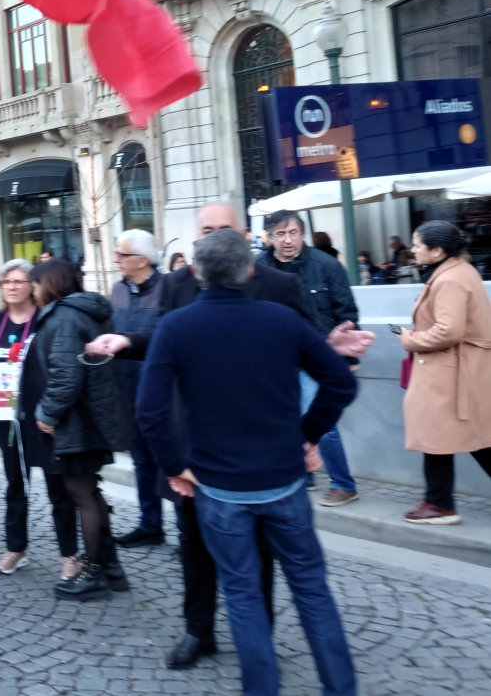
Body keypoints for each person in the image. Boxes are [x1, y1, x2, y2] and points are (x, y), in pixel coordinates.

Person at [137, 228, 358, 696]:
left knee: (243, 595)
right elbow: (341, 383)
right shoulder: (282, 320)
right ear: (250, 270)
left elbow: (150, 410)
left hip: (220, 489)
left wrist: (175, 466)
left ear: (197, 274)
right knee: (312, 590)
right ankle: (341, 688)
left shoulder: (177, 327)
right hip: (283, 480)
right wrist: (307, 434)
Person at [30, 260, 129, 600]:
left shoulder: (64, 317)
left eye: (36, 283)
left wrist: (47, 413)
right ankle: (110, 567)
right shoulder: (77, 312)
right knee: (90, 491)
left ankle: (94, 574)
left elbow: (67, 377)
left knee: (81, 493)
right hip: (89, 418)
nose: (33, 289)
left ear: (51, 283)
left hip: (79, 422)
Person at [0, 259, 76, 579]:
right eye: (7, 282)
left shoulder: (46, 319)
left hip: (42, 416)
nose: (13, 287)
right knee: (15, 483)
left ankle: (69, 554)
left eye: (20, 281)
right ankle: (16, 548)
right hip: (6, 417)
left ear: (33, 285)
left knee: (57, 485)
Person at [258, 209, 361, 507]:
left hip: (316, 356)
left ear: (302, 234)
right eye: (280, 234)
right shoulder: (258, 268)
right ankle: (305, 474)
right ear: (270, 238)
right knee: (286, 418)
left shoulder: (326, 265)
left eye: (292, 233)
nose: (287, 240)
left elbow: (347, 311)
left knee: (322, 422)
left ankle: (343, 483)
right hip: (275, 358)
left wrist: (350, 358)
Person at [398, 220, 491, 524]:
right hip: (456, 369)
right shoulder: (458, 271)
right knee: (453, 436)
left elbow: (448, 331)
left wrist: (410, 339)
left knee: (451, 436)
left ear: (437, 250)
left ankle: (439, 504)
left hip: (451, 370)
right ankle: (438, 501)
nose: (412, 250)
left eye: (417, 244)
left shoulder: (449, 279)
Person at [93, 229, 169, 548]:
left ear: (141, 259)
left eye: (122, 254)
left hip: (162, 393)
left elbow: (168, 338)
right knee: (141, 462)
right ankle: (150, 525)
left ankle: (189, 533)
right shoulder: (118, 290)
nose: (116, 259)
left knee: (170, 461)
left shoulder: (169, 289)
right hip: (127, 390)